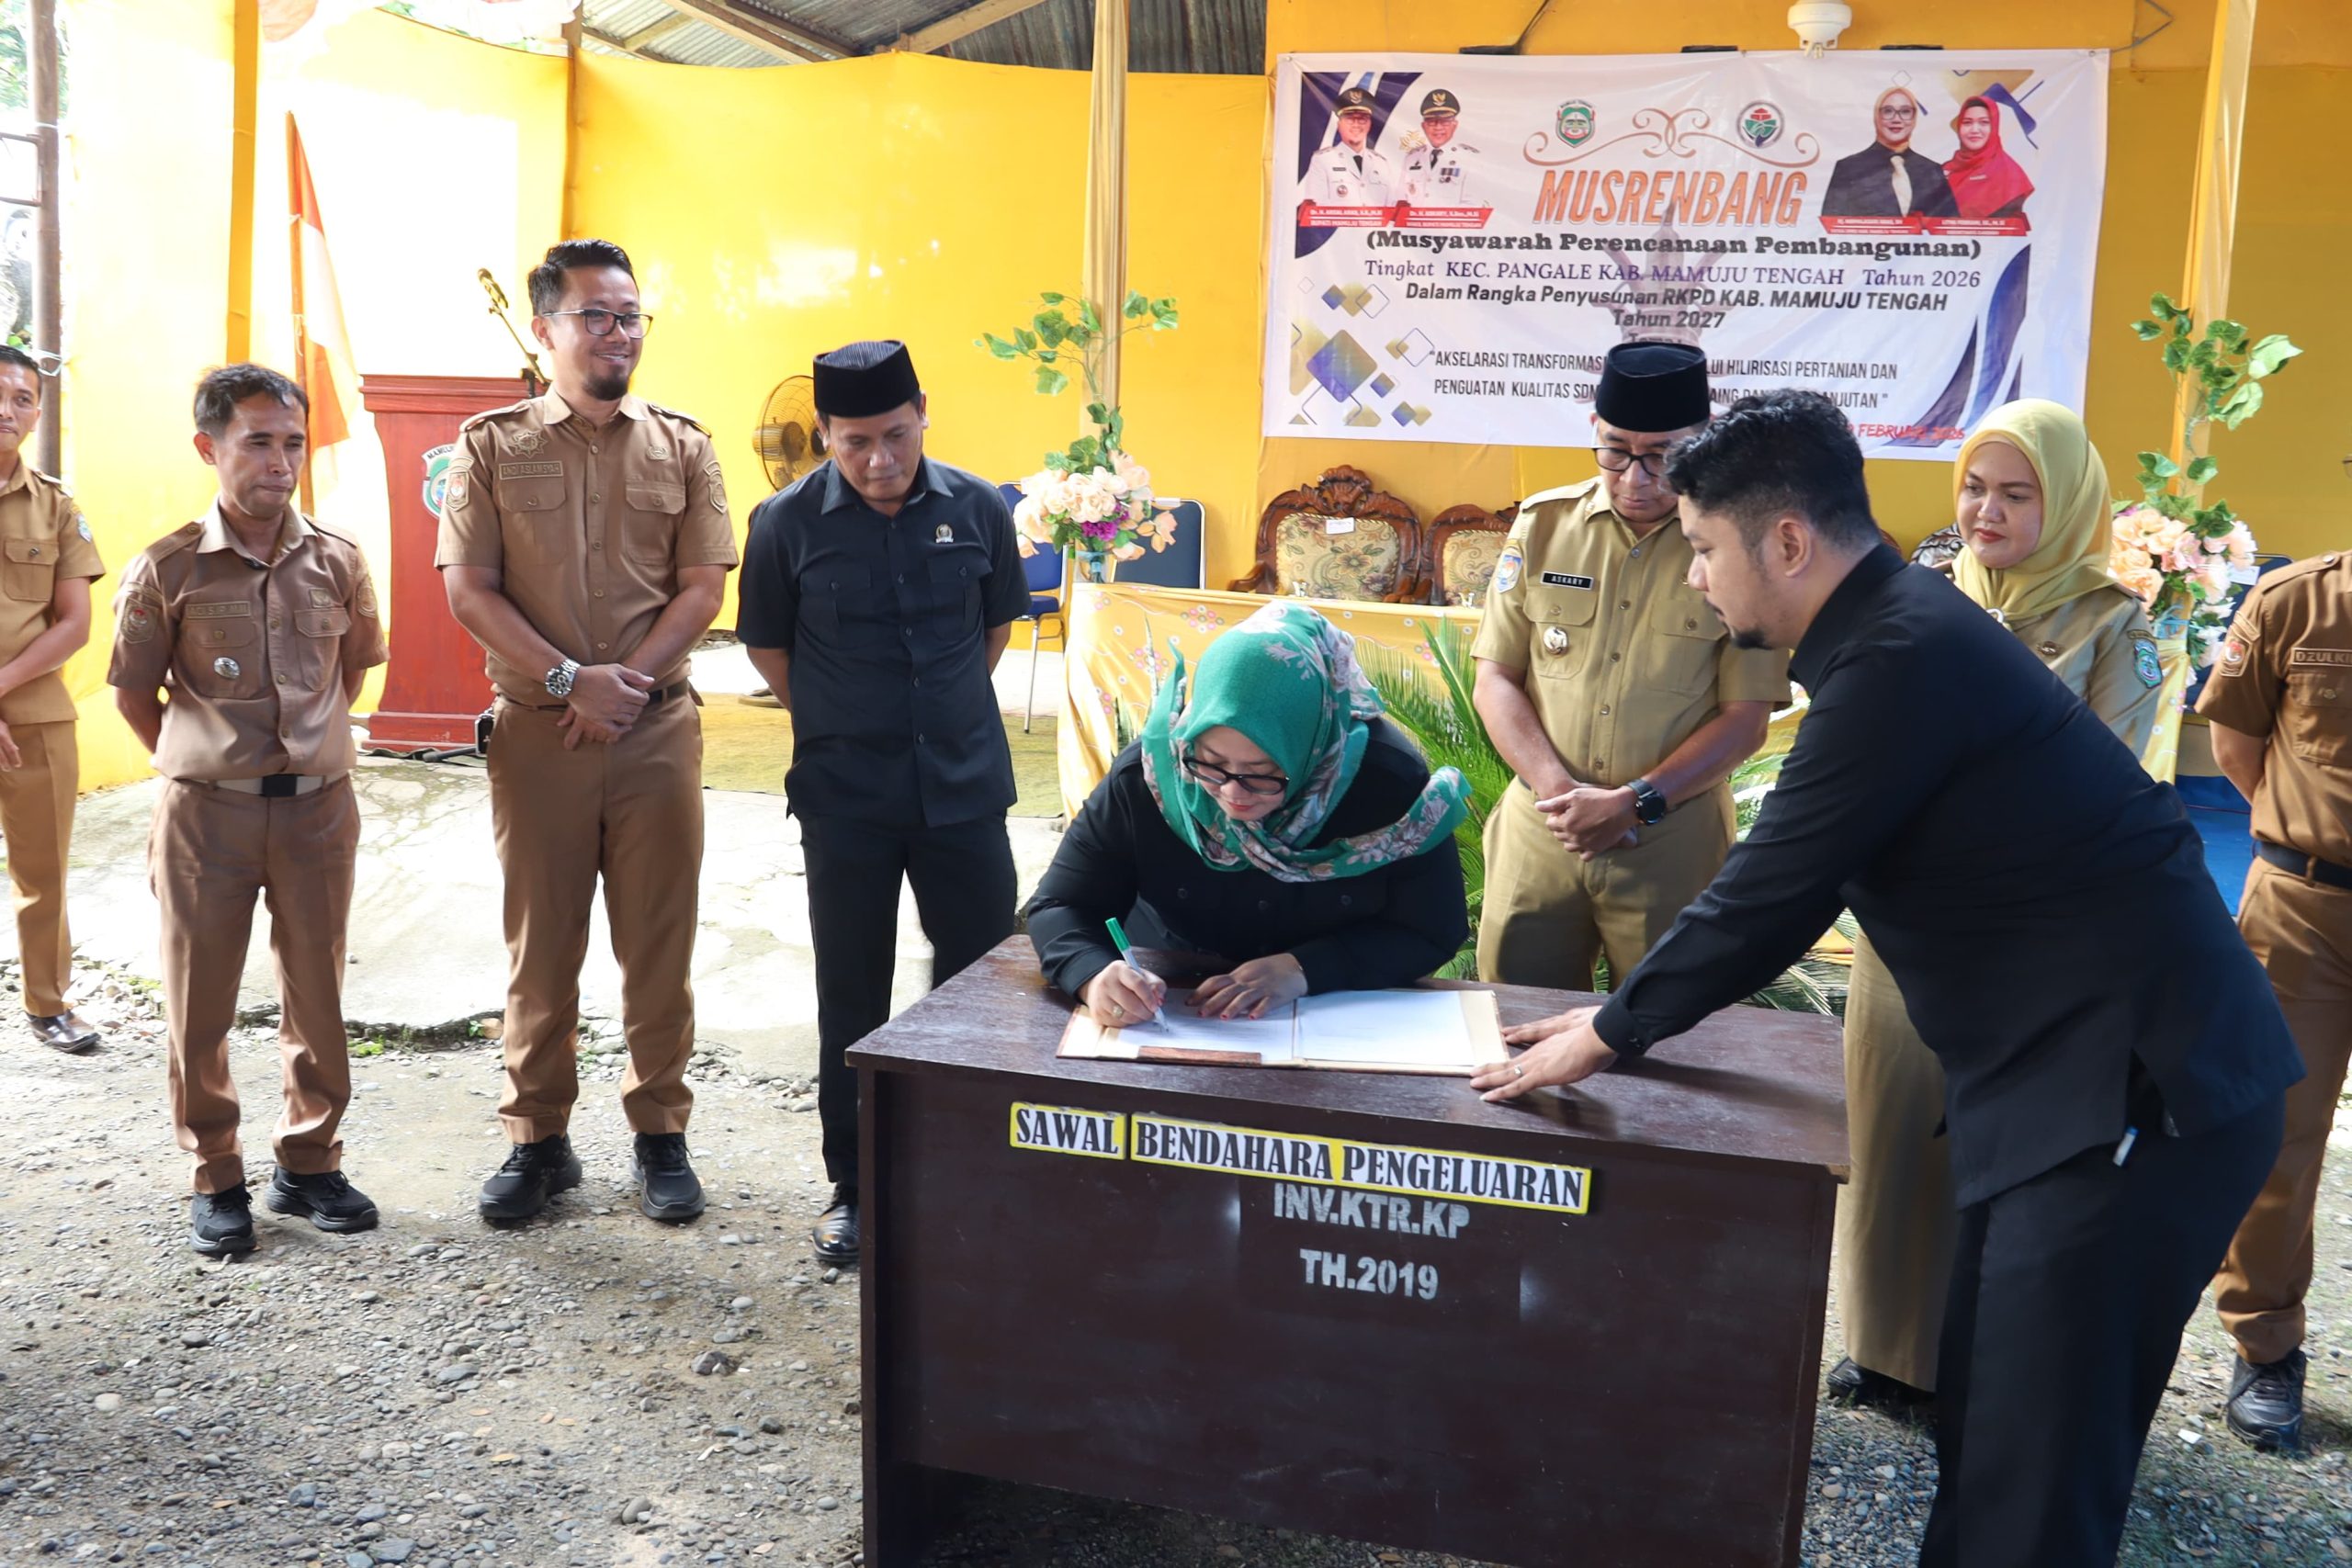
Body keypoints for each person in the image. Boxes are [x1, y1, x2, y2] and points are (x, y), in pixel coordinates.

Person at [1475, 389, 2300, 1567]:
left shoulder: (1899, 659)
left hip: (2137, 1094)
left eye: (1704, 549)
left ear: (1787, 542)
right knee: (1984, 1415)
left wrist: (1603, 1033)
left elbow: (1773, 889)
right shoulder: (1896, 632)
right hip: (2054, 1087)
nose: (1696, 579)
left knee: (2034, 1470)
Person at [1828, 399, 2163, 1410]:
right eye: (1974, 487)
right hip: (1904, 927)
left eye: (2017, 494)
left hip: (2022, 935)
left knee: (1994, 1148)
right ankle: (1882, 1345)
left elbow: (2105, 780)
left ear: (2066, 504)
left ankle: (1973, 1362)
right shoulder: (1921, 598)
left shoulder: (2111, 623)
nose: (1986, 511)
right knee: (1890, 1132)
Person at [439, 239, 736, 1227]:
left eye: (630, 315)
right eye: (596, 315)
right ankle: (538, 1140)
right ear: (545, 329)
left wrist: (627, 684)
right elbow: (469, 589)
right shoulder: (491, 446)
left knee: (658, 942)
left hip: (655, 734)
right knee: (542, 945)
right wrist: (572, 680)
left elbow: (703, 587)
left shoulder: (684, 446)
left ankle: (661, 1134)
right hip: (539, 736)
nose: (619, 332)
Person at [735, 340, 1027, 1266]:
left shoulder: (978, 507)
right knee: (851, 989)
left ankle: (969, 1172)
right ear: (824, 433)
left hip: (964, 789)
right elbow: (769, 648)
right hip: (845, 797)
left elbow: (993, 628)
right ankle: (857, 1187)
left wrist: (937, 716)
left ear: (924, 413)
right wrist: (841, 719)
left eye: (896, 435)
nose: (878, 460)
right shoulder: (784, 523)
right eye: (854, 441)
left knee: (977, 985)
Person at [108, 364, 388, 1257]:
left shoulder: (339, 559)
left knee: (319, 992)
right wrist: (208, 761)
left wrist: (302, 748)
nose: (280, 461)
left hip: (317, 812)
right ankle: (216, 1172)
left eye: (292, 443)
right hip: (208, 819)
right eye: (257, 441)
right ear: (210, 447)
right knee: (200, 1001)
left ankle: (309, 1161)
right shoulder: (169, 566)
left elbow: (349, 675)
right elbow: (135, 696)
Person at [1471, 340, 1786, 992]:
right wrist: (1562, 797)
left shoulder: (1741, 549)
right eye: (1615, 451)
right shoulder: (1543, 525)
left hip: (1670, 841)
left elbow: (1746, 719)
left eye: (1661, 457)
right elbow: (1495, 677)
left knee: (1670, 1028)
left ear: (1703, 440)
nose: (1634, 479)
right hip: (1543, 829)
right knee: (1513, 1019)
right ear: (1595, 430)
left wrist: (1634, 803)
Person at [1025, 601, 1469, 1021]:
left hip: (1335, 1013)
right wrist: (1092, 973)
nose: (1233, 794)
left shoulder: (1386, 787)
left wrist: (1305, 969)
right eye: (1211, 764)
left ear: (1313, 752)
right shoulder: (1154, 775)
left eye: (1263, 773)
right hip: (1174, 995)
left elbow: (1431, 930)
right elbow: (1061, 904)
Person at [2199, 546, 2352, 1450]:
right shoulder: (2297, 601)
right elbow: (2235, 746)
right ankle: (2264, 1344)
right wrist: (2310, 839)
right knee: (2278, 1131)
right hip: (2302, 907)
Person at [0, 344, 105, 1052]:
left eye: (23, 398)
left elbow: (74, 623)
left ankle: (48, 1002)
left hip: (34, 717)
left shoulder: (57, 509)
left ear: (37, 413)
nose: (8, 409)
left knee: (43, 870)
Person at [1820, 86, 1958, 220]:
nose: (1896, 119)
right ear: (1876, 117)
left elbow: (1951, 226)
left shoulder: (1932, 171)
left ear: (1914, 119)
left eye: (1905, 112)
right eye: (1888, 111)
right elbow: (1830, 224)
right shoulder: (1848, 168)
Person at [1940, 96, 2033, 220]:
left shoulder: (2010, 174)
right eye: (1967, 122)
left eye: (1984, 122)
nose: (1974, 130)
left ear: (1994, 126)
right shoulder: (1942, 171)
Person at [1303, 86, 1396, 209]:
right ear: (1339, 124)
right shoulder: (1323, 160)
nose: (1356, 125)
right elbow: (1316, 210)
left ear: (1369, 124)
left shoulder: (1381, 163)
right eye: (1350, 119)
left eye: (1362, 119)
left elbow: (1391, 208)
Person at [1400, 88, 1477, 208]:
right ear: (1424, 126)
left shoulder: (1470, 159)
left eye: (1445, 121)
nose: (1438, 127)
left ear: (1455, 125)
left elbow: (1472, 206)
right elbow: (1401, 200)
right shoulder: (1411, 158)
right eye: (1431, 121)